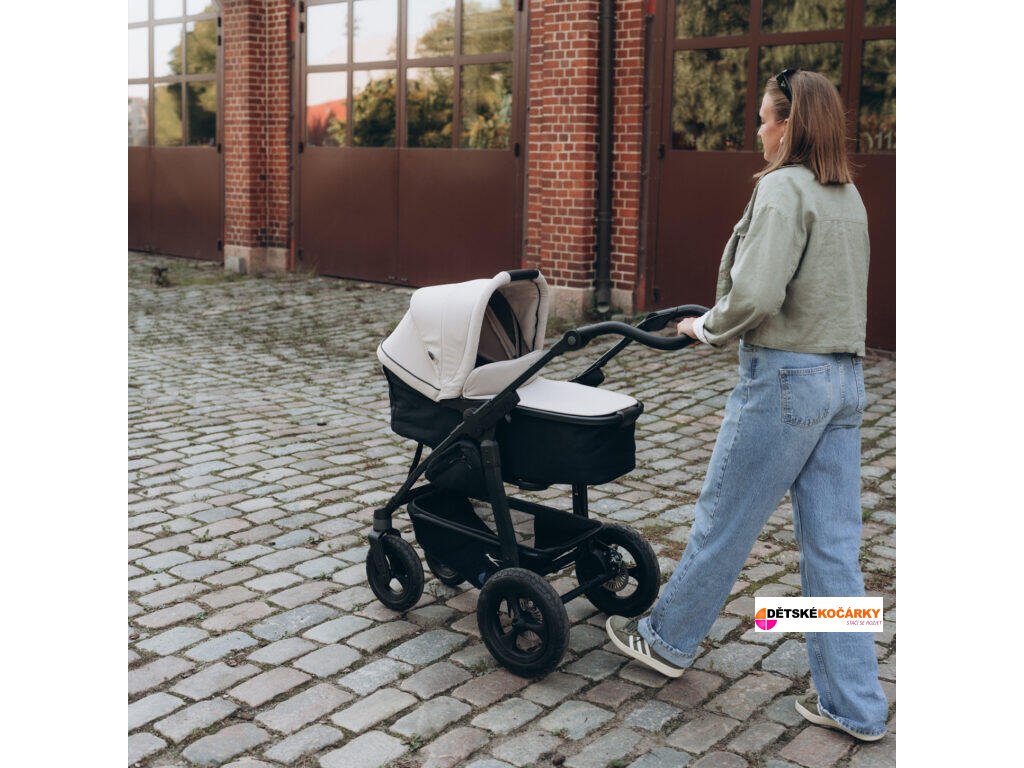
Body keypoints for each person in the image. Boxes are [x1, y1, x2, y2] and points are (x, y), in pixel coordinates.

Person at [605, 69, 889, 742]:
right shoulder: (847, 195)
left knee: (725, 518)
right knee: (834, 551)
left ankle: (667, 639)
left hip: (786, 381)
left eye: (764, 119)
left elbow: (757, 295)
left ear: (788, 125)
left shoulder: (783, 189)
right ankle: (857, 705)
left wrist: (706, 326)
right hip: (843, 383)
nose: (758, 131)